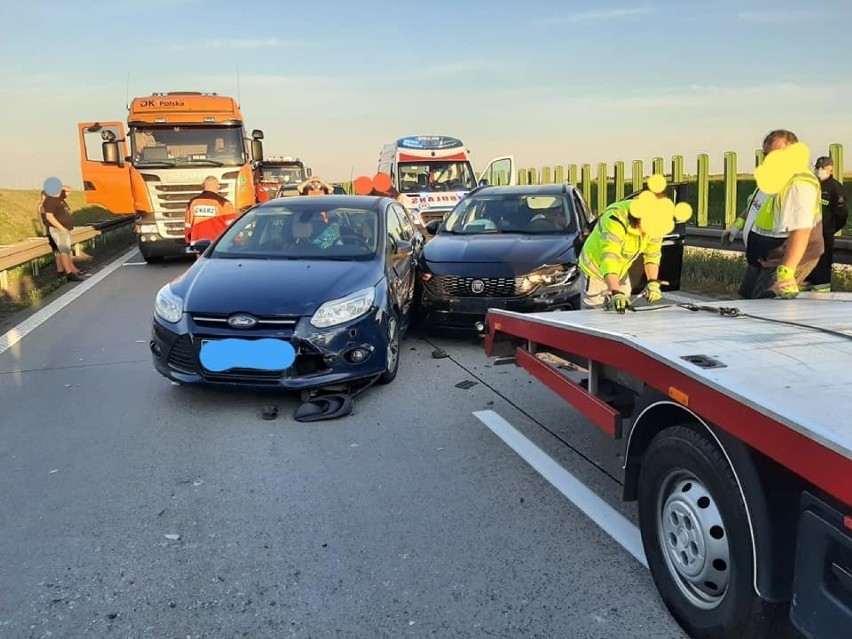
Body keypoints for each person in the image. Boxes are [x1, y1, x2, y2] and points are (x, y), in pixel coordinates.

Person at [738, 130, 824, 300]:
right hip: (764, 257)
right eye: (766, 155)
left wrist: (787, 272)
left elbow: (801, 230)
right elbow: (756, 206)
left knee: (764, 308)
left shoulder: (799, 184)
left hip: (785, 258)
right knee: (746, 300)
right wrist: (738, 224)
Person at [578, 187, 667, 313]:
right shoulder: (615, 218)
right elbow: (610, 258)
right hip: (594, 270)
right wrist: (615, 291)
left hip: (620, 270)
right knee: (594, 315)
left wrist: (652, 282)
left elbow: (652, 255)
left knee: (623, 310)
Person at [803, 156, 848, 292]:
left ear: (831, 169)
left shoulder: (835, 188)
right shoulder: (811, 185)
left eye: (823, 168)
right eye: (817, 167)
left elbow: (842, 214)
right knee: (806, 263)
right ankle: (805, 284)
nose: (819, 170)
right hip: (807, 233)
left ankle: (821, 290)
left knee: (822, 264)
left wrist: (830, 229)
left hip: (825, 233)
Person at [41, 177, 86, 281]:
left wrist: (60, 186)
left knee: (66, 250)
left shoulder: (59, 198)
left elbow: (70, 189)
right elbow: (49, 216)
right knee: (64, 251)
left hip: (65, 229)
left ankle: (72, 270)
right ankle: (69, 273)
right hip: (59, 230)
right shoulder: (50, 201)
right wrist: (61, 228)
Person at [184, 176, 237, 249]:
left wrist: (189, 242)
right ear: (218, 186)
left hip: (198, 244)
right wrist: (238, 242)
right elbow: (233, 227)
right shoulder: (224, 203)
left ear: (203, 186)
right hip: (218, 244)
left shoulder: (192, 203)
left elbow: (188, 226)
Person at [37, 190, 66, 277]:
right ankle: (61, 271)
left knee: (58, 252)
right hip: (50, 231)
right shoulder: (43, 206)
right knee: (59, 252)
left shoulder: (42, 205)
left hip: (49, 231)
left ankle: (61, 271)